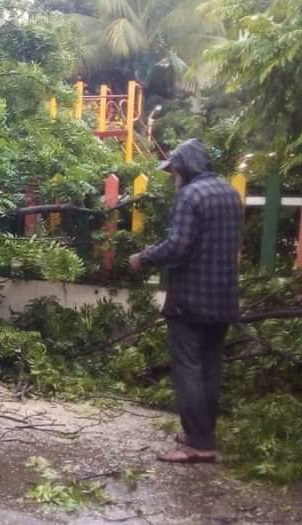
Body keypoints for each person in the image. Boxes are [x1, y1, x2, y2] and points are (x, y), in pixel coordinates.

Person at [129, 138, 243, 464]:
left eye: (173, 171)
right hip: (223, 297)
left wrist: (143, 257)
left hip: (190, 299)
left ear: (183, 167)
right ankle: (204, 435)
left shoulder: (190, 196)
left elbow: (178, 246)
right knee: (210, 367)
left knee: (188, 369)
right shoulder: (230, 193)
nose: (171, 176)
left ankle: (197, 444)